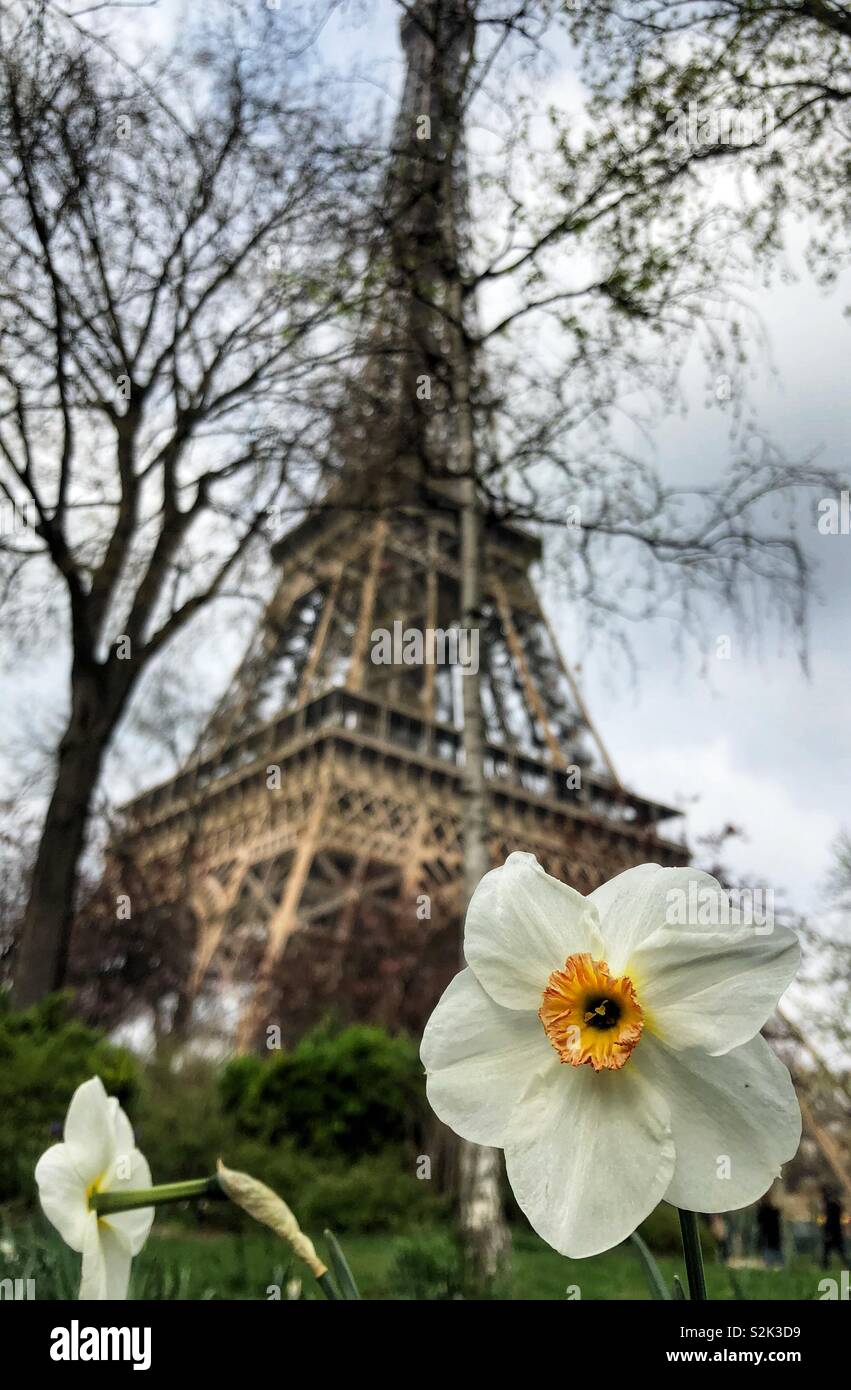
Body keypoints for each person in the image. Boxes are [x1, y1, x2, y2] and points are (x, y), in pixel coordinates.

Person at [821, 1186, 847, 1269]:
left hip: (832, 1233)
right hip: (836, 1232)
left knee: (829, 1252)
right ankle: (825, 1267)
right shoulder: (836, 1206)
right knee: (839, 1252)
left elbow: (830, 1221)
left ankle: (825, 1267)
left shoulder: (831, 1207)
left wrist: (827, 1232)